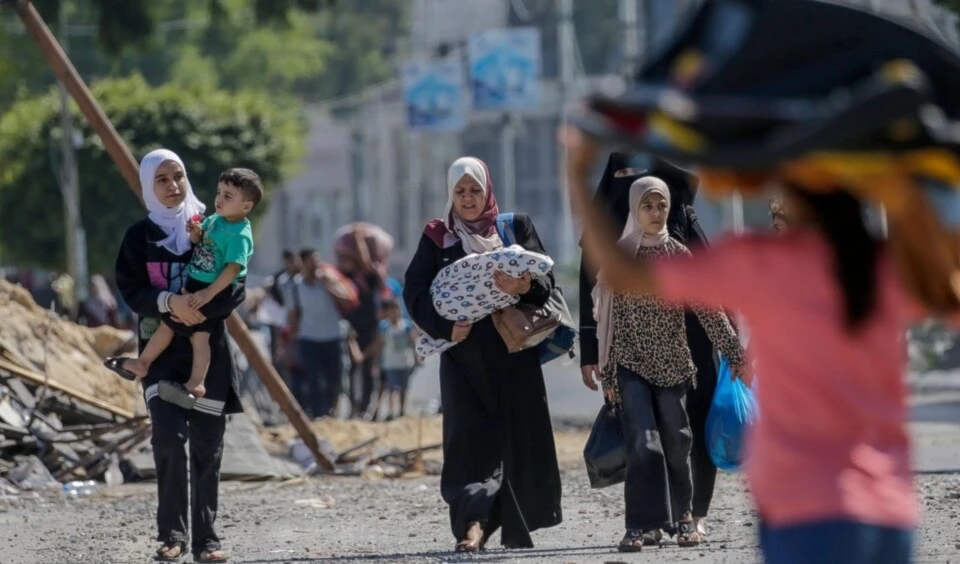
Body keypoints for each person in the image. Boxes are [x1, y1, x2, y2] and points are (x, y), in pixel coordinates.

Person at [564, 128, 922, 564]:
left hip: (798, 509)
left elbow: (623, 274)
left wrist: (577, 178)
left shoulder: (755, 262)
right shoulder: (889, 267)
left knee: (677, 441)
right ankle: (651, 520)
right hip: (886, 509)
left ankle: (684, 515)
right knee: (653, 440)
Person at [403, 156, 562, 552]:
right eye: (460, 191)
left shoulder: (514, 228)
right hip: (463, 358)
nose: (469, 198)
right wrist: (445, 328)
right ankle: (471, 525)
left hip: (513, 355)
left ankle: (503, 523)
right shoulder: (439, 237)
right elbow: (415, 294)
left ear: (487, 191)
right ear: (450, 195)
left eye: (475, 190)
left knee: (516, 439)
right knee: (468, 441)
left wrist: (521, 287)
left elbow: (546, 285)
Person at [592, 176, 745, 551]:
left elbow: (709, 311)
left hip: (674, 363)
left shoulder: (679, 254)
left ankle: (684, 518)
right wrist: (609, 372)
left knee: (678, 441)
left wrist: (735, 353)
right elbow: (608, 323)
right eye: (648, 205)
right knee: (643, 441)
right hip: (630, 363)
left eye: (661, 205)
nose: (656, 213)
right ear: (634, 209)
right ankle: (640, 525)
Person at [112, 148, 244, 563]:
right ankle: (171, 535)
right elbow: (131, 289)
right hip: (160, 355)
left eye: (179, 177)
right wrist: (169, 301)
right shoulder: (139, 238)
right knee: (168, 440)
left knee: (208, 446)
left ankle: (206, 540)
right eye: (162, 180)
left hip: (208, 357)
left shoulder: (213, 227)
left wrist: (198, 306)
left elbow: (236, 283)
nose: (173, 186)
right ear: (149, 187)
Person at [116, 168, 261, 398]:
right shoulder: (214, 220)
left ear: (246, 206)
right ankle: (142, 363)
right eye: (219, 193)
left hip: (209, 293)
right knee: (168, 323)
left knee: (200, 337)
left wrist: (208, 296)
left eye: (228, 196)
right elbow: (201, 241)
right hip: (194, 286)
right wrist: (194, 233)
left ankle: (196, 383)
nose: (219, 200)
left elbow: (233, 271)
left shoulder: (240, 234)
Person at [286, 249, 348, 418]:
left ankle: (331, 411)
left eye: (317, 261)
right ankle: (317, 413)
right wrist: (291, 341)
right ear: (303, 263)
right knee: (312, 378)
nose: (316, 265)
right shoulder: (295, 286)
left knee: (333, 378)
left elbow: (346, 300)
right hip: (308, 338)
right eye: (312, 261)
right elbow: (293, 314)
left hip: (332, 337)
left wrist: (328, 284)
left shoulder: (329, 280)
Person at [377, 299, 417, 420]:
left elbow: (413, 341)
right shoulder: (384, 327)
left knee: (404, 388)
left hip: (405, 361)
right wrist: (376, 362)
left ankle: (401, 411)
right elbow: (380, 344)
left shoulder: (407, 326)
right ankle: (390, 411)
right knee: (392, 388)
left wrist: (417, 356)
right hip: (390, 363)